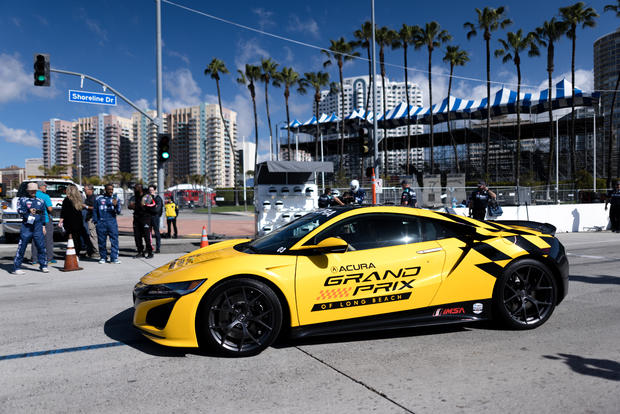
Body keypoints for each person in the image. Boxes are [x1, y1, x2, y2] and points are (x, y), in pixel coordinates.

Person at [13, 183, 48, 274]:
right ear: (28, 191)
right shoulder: (23, 200)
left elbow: (43, 214)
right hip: (26, 227)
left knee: (41, 246)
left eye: (34, 190)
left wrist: (43, 226)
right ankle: (17, 267)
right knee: (22, 246)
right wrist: (28, 210)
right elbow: (19, 211)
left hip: (38, 226)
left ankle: (43, 265)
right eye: (31, 190)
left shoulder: (41, 201)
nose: (33, 192)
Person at [59, 184, 92, 257]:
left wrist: (61, 220)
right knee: (77, 238)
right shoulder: (79, 199)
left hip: (69, 222)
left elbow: (64, 211)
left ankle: (73, 253)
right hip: (78, 222)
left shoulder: (67, 200)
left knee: (71, 238)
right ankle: (78, 253)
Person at [95, 183, 121, 264]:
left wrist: (116, 205)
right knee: (101, 241)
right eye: (109, 189)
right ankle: (103, 257)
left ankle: (114, 258)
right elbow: (95, 210)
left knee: (114, 240)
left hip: (112, 222)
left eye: (112, 189)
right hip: (101, 222)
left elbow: (119, 212)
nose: (111, 191)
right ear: (105, 190)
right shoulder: (99, 199)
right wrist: (96, 221)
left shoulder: (115, 198)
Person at [31, 181, 55, 265]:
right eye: (45, 186)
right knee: (48, 239)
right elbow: (50, 209)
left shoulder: (31, 195)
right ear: (40, 187)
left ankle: (34, 259)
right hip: (45, 219)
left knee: (35, 239)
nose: (46, 188)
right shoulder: (45, 196)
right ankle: (49, 258)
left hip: (33, 219)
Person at [128, 184, 154, 259]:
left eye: (135, 188)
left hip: (145, 218)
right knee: (137, 236)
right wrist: (134, 206)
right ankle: (140, 252)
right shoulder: (134, 197)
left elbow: (148, 206)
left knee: (146, 236)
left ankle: (150, 252)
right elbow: (129, 206)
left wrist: (136, 206)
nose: (134, 189)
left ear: (140, 188)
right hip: (136, 218)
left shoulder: (147, 196)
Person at [83, 184, 99, 258]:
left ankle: (96, 251)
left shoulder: (93, 198)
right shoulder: (88, 197)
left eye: (85, 190)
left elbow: (94, 208)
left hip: (92, 218)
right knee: (89, 235)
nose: (84, 191)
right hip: (88, 218)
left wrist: (85, 206)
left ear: (91, 190)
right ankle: (90, 251)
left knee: (93, 235)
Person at [148, 184, 164, 253]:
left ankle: (158, 248)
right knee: (148, 233)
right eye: (150, 190)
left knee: (157, 233)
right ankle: (149, 248)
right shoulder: (147, 198)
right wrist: (152, 207)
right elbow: (145, 207)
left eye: (152, 190)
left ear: (155, 190)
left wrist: (150, 208)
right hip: (148, 217)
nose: (151, 191)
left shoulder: (158, 198)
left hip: (155, 217)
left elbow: (157, 210)